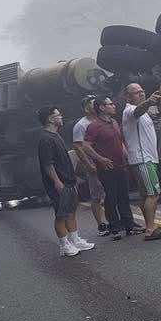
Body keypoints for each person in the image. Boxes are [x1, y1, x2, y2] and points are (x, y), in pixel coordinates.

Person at [37, 106, 95, 257]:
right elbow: (48, 164)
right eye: (58, 115)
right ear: (51, 119)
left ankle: (75, 240)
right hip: (59, 183)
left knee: (71, 211)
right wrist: (57, 182)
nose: (61, 117)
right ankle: (64, 245)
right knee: (61, 214)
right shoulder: (46, 139)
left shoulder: (56, 135)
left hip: (68, 181)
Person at [122, 82, 161, 241]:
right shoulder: (130, 110)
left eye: (142, 91)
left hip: (147, 158)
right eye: (136, 92)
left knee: (146, 195)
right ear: (128, 97)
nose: (141, 93)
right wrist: (149, 101)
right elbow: (137, 110)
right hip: (143, 159)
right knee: (153, 194)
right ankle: (150, 228)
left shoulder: (143, 112)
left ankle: (151, 225)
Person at [85, 96, 138, 239]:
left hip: (121, 165)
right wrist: (100, 159)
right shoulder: (94, 126)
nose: (114, 106)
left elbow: (119, 141)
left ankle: (129, 225)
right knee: (111, 197)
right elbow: (86, 145)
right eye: (110, 104)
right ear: (102, 107)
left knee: (124, 196)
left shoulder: (114, 122)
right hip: (107, 168)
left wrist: (127, 156)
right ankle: (114, 227)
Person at [71, 95, 110, 235]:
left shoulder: (104, 120)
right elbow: (78, 147)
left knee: (111, 193)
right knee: (97, 196)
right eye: (93, 104)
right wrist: (88, 165)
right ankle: (101, 225)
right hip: (93, 164)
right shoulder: (81, 125)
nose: (96, 105)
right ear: (86, 108)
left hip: (108, 162)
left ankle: (115, 220)